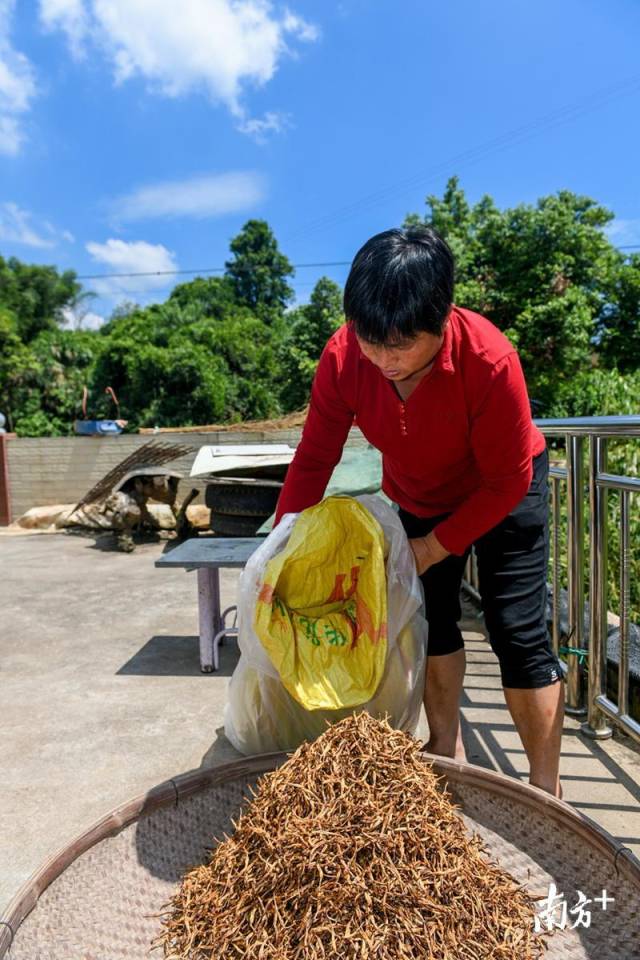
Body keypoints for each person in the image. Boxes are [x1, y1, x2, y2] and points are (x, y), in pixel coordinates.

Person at [274, 225, 565, 797]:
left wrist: (433, 548)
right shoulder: (342, 358)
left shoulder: (489, 359)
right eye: (369, 339)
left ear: (442, 317)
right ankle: (446, 748)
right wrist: (281, 544)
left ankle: (545, 789)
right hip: (417, 495)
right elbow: (314, 459)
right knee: (429, 620)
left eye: (400, 343)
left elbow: (508, 479)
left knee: (517, 630)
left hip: (504, 491)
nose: (382, 359)